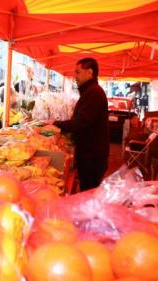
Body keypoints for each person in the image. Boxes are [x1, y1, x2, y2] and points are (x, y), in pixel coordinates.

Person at [51, 58, 110, 190]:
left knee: (88, 192)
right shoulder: (91, 91)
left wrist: (56, 123)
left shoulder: (94, 92)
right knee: (88, 190)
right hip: (91, 154)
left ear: (89, 72)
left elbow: (81, 123)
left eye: (78, 72)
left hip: (92, 157)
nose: (75, 76)